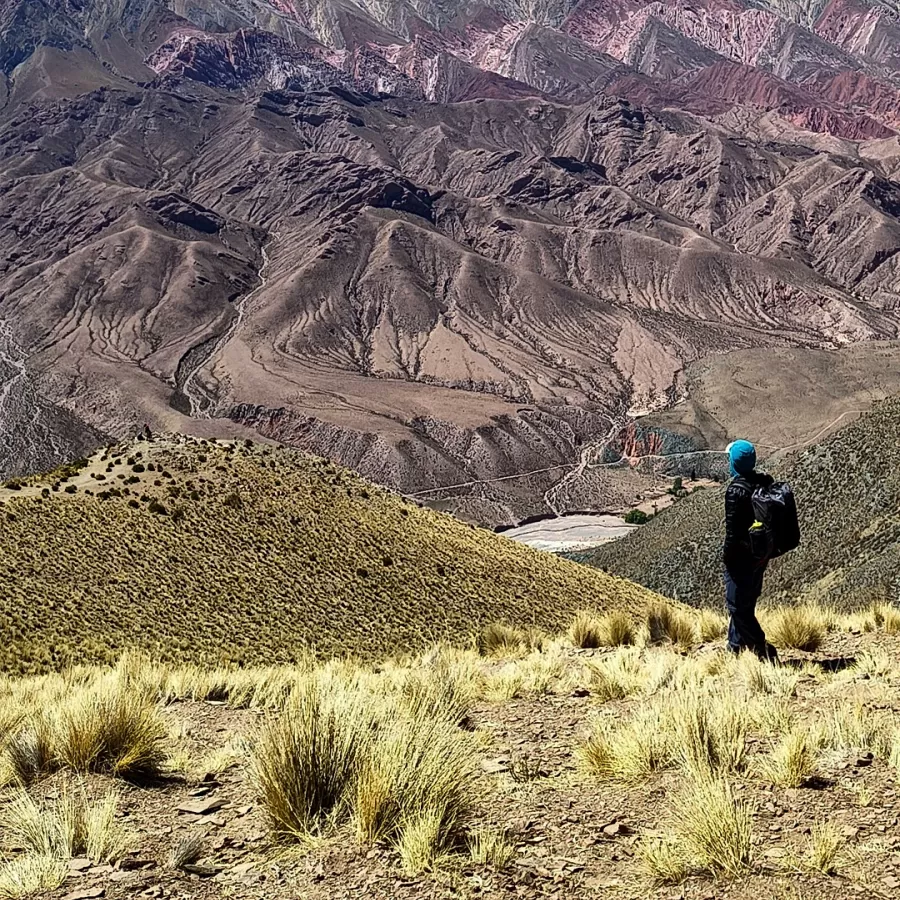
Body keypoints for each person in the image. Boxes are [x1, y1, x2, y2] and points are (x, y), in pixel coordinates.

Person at [723, 440, 778, 661]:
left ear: (734, 463)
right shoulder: (763, 482)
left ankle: (762, 649)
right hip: (760, 553)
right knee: (746, 599)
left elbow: (733, 533)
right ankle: (734, 646)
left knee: (736, 605)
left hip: (741, 557)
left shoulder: (735, 491)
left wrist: (727, 557)